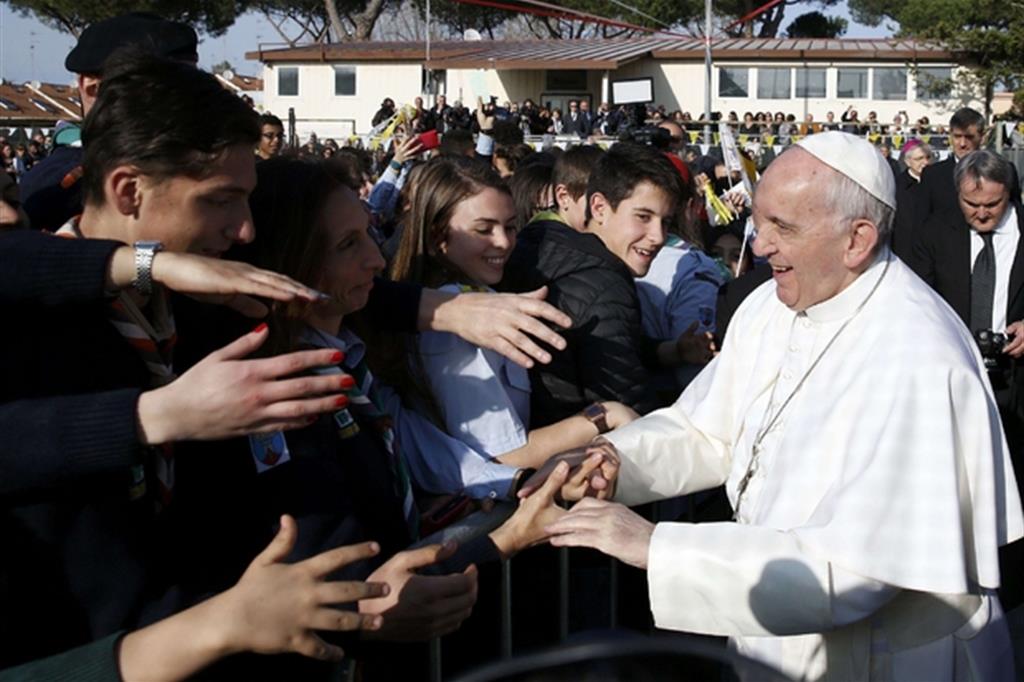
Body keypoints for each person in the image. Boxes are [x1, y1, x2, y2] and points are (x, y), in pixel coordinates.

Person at [540, 132, 1024, 681]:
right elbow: (707, 429)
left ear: (857, 239)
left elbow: (854, 570)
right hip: (771, 623)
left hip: (877, 655)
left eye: (782, 227)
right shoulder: (773, 305)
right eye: (761, 221)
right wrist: (613, 462)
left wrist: (658, 547)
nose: (760, 244)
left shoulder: (917, 355)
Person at [385, 156, 638, 481]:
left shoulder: (467, 296)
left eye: (510, 226)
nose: (504, 242)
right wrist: (605, 416)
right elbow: (502, 456)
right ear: (438, 236)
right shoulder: (457, 325)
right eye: (483, 229)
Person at [911, 149, 1024, 610]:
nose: (980, 214)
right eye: (970, 204)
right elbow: (916, 301)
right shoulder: (934, 234)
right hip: (954, 382)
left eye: (991, 206)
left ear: (1010, 197)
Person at [501, 143, 681, 425]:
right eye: (643, 217)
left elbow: (603, 342)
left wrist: (667, 351)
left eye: (666, 222)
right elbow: (628, 406)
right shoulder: (605, 284)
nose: (658, 236)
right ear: (599, 207)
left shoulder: (539, 242)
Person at [18, 12, 198, 232]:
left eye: (194, 84)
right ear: (94, 88)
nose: (186, 99)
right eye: (162, 88)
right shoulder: (61, 187)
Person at [915, 108, 1020, 237]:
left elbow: (1015, 215)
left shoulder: (1005, 170)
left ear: (982, 137)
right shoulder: (932, 175)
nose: (962, 144)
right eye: (957, 137)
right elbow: (922, 221)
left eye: (969, 137)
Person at [890, 139, 933, 260]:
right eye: (919, 159)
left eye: (927, 157)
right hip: (906, 249)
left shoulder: (938, 182)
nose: (925, 162)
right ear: (908, 162)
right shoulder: (898, 185)